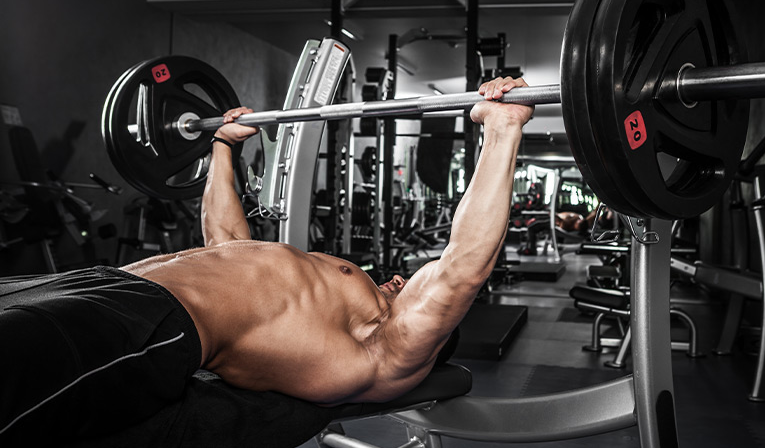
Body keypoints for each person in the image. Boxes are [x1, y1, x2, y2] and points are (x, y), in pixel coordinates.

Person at [0, 76, 534, 445]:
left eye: (407, 287)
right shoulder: (318, 307)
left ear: (431, 338)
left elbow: (460, 269)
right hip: (95, 285)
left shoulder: (384, 350)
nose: (399, 279)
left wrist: (503, 129)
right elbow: (226, 243)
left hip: (148, 321)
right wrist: (222, 148)